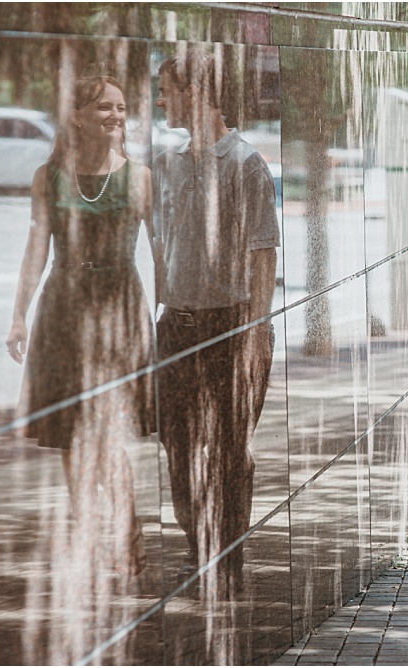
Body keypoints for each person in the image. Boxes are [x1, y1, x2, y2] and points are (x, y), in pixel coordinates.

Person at [6, 72, 155, 577]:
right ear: (76, 117)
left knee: (107, 434)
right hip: (64, 309)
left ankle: (128, 536)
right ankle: (89, 539)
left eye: (119, 108)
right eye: (103, 108)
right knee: (72, 435)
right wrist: (18, 316)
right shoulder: (48, 176)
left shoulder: (139, 176)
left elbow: (160, 249)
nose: (115, 116)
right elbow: (35, 249)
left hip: (119, 311)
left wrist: (168, 309)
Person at [153, 48, 279, 599]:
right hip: (177, 327)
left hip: (231, 328)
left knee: (229, 451)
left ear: (196, 93)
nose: (161, 100)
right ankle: (195, 547)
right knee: (178, 446)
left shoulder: (245, 164)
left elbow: (263, 256)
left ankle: (224, 560)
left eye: (167, 89)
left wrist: (253, 334)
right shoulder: (170, 163)